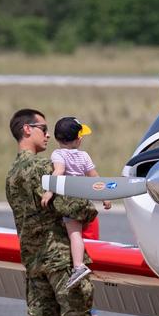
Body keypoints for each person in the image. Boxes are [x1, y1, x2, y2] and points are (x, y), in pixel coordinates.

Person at [4, 108, 107, 316]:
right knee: (76, 311)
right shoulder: (41, 168)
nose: (47, 135)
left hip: (32, 257)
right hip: (59, 255)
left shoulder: (12, 174)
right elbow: (72, 206)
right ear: (27, 130)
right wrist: (90, 209)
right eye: (43, 128)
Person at [41, 116, 102, 291]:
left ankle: (78, 266)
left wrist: (49, 190)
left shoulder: (58, 154)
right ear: (78, 139)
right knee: (82, 234)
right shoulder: (84, 156)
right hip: (84, 200)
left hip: (69, 201)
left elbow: (58, 171)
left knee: (74, 235)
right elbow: (95, 178)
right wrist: (105, 197)